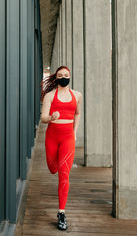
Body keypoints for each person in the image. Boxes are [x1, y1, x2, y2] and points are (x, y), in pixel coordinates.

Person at [40, 66, 82, 231]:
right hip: (52, 136)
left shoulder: (77, 95)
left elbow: (77, 113)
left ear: (70, 77)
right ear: (56, 78)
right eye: (60, 75)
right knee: (52, 168)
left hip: (68, 138)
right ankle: (58, 163)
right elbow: (43, 118)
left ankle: (61, 212)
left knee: (64, 174)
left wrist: (75, 132)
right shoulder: (50, 96)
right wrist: (51, 117)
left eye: (66, 75)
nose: (64, 77)